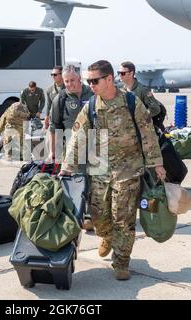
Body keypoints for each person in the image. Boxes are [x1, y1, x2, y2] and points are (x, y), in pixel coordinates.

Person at [60, 60, 166, 280]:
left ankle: (121, 261)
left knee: (123, 219)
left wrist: (157, 164)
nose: (91, 84)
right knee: (98, 217)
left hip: (128, 171)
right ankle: (106, 236)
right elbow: (78, 138)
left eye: (94, 80)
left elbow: (148, 133)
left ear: (109, 79)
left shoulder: (130, 102)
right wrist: (67, 167)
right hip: (98, 172)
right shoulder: (90, 106)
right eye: (89, 81)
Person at [48, 65, 94, 230]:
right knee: (78, 181)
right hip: (73, 149)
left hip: (95, 146)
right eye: (66, 81)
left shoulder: (93, 93)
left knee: (95, 180)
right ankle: (79, 215)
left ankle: (92, 214)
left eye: (72, 80)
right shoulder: (60, 99)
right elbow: (54, 127)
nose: (69, 84)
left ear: (79, 78)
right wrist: (54, 151)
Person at [118, 61, 166, 131]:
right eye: (118, 73)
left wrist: (140, 117)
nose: (120, 75)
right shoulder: (123, 90)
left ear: (131, 73)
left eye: (122, 73)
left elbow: (155, 109)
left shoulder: (143, 90)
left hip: (145, 129)